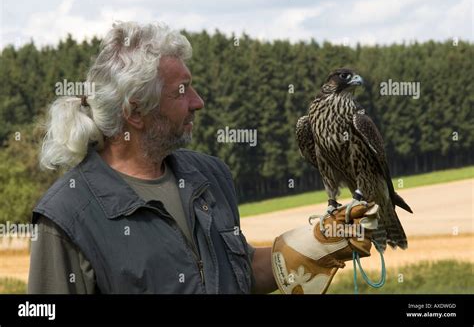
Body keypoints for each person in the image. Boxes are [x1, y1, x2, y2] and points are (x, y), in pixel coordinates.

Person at [28, 21, 375, 294]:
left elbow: (238, 274)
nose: (197, 101)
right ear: (135, 111)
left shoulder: (208, 177)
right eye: (182, 90)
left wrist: (316, 243)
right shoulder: (67, 217)